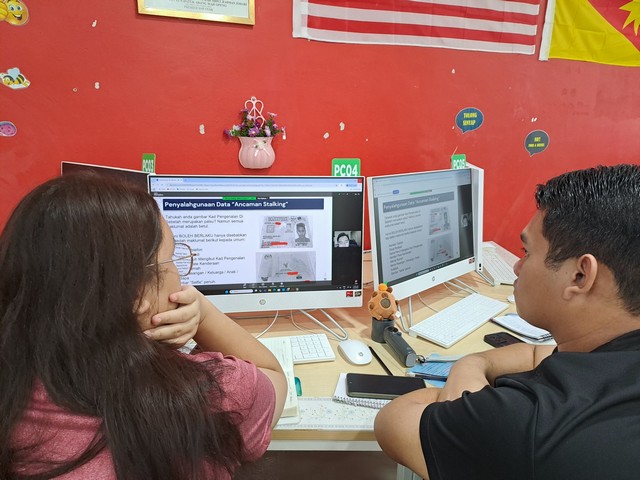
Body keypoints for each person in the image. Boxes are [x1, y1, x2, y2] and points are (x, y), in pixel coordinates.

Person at [0, 173, 287, 479]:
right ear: (136, 296)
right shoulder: (208, 395)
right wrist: (203, 315)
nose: (179, 274)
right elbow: (272, 376)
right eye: (171, 259)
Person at [374, 164, 640, 480]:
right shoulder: (612, 352)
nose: (516, 267)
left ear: (580, 275)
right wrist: (472, 364)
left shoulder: (528, 427)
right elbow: (537, 353)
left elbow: (394, 420)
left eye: (527, 252)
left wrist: (471, 396)